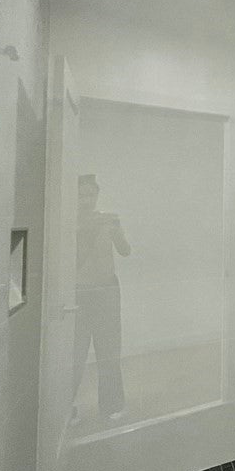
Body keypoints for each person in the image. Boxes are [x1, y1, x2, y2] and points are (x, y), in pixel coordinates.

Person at [74, 174, 130, 420]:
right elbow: (72, 261)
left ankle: (112, 405)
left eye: (91, 194)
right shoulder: (68, 224)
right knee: (75, 352)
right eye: (82, 195)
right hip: (79, 292)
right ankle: (66, 409)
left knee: (109, 349)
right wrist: (86, 230)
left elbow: (125, 251)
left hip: (107, 290)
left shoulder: (108, 221)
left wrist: (116, 230)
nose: (87, 200)